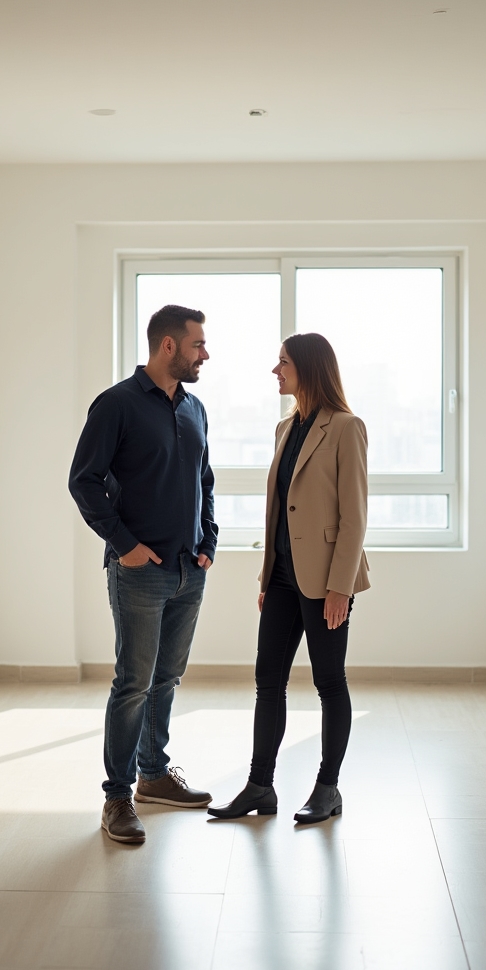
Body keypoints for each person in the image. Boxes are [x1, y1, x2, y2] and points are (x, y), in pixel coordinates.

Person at [69, 305, 218, 844]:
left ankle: (154, 775)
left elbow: (206, 479)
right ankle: (117, 797)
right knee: (133, 683)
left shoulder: (195, 408)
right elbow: (82, 481)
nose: (206, 354)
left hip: (188, 570)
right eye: (198, 344)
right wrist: (125, 545)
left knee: (166, 678)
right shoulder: (116, 405)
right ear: (169, 347)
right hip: (138, 572)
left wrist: (209, 541)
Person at [208, 333, 369, 825]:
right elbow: (281, 508)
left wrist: (341, 586)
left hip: (325, 583)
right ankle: (261, 786)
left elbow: (354, 517)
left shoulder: (346, 427)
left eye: (282, 363)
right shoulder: (284, 427)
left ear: (308, 368)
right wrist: (264, 577)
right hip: (279, 576)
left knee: (329, 682)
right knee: (267, 681)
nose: (275, 371)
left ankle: (328, 787)